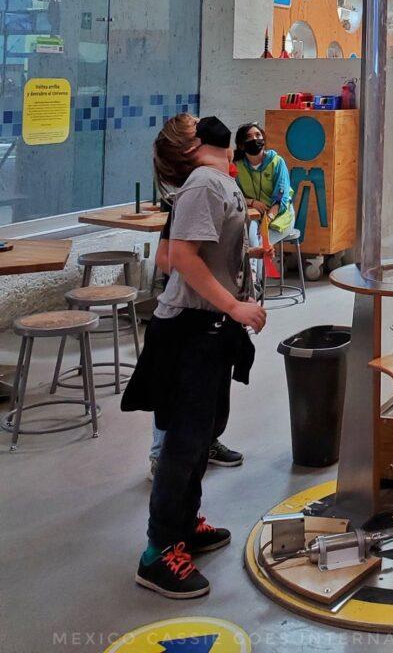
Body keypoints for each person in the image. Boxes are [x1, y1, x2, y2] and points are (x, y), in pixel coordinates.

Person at [123, 113, 268, 599]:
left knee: (202, 435)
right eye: (195, 123)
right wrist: (235, 306)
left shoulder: (218, 181)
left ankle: (184, 524)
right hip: (190, 330)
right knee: (184, 442)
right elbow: (181, 257)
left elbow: (207, 253)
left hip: (211, 328)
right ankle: (158, 552)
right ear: (191, 146)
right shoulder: (204, 183)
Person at [148, 196, 244, 478]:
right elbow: (166, 258)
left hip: (214, 314)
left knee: (212, 390)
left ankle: (207, 442)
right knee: (175, 393)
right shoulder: (194, 198)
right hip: (184, 314)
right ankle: (160, 456)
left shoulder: (222, 200)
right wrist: (200, 280)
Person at [233, 121, 294, 262]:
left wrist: (268, 218)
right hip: (253, 215)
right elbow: (233, 195)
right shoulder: (237, 166)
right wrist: (252, 202)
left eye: (258, 135)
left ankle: (257, 277)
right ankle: (255, 276)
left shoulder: (277, 162)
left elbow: (280, 198)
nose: (254, 139)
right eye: (248, 137)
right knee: (251, 241)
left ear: (263, 139)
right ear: (241, 145)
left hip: (278, 215)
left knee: (261, 244)